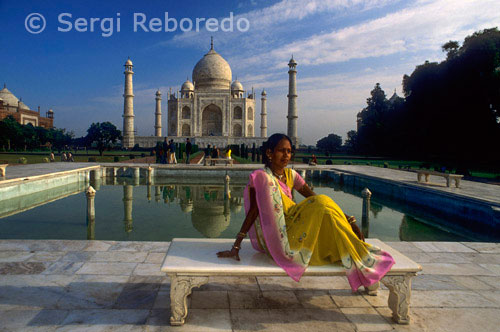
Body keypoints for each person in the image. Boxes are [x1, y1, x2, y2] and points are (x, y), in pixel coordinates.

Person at [217, 133, 394, 291]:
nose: (286, 155)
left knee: (323, 205)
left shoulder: (292, 175)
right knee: (322, 203)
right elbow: (254, 211)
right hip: (281, 238)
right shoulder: (262, 178)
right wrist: (237, 245)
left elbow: (314, 199)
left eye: (289, 151)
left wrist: (348, 219)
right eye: (281, 151)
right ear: (270, 153)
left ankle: (360, 259)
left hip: (300, 229)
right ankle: (363, 261)